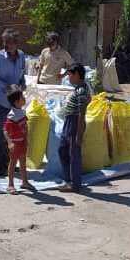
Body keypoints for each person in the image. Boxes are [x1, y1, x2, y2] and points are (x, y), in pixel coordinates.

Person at [0, 29, 26, 177]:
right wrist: (8, 88)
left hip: (14, 104)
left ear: (16, 44)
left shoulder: (22, 56)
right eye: (4, 43)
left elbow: (22, 76)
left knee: (12, 133)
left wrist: (22, 84)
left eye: (9, 43)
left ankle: (9, 163)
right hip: (0, 101)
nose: (5, 46)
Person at [58, 63, 91, 193]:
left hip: (74, 123)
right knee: (63, 150)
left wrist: (79, 134)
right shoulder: (79, 89)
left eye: (70, 75)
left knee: (74, 154)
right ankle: (69, 180)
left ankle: (75, 184)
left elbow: (81, 114)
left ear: (77, 74)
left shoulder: (82, 90)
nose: (69, 78)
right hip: (69, 122)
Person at [3, 85, 34, 194]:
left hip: (22, 142)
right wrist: (10, 143)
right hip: (15, 144)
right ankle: (10, 184)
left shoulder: (22, 112)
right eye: (22, 97)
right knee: (13, 163)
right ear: (16, 102)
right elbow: (5, 131)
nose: (24, 98)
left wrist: (26, 139)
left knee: (23, 162)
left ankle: (24, 182)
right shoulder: (12, 116)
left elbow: (25, 126)